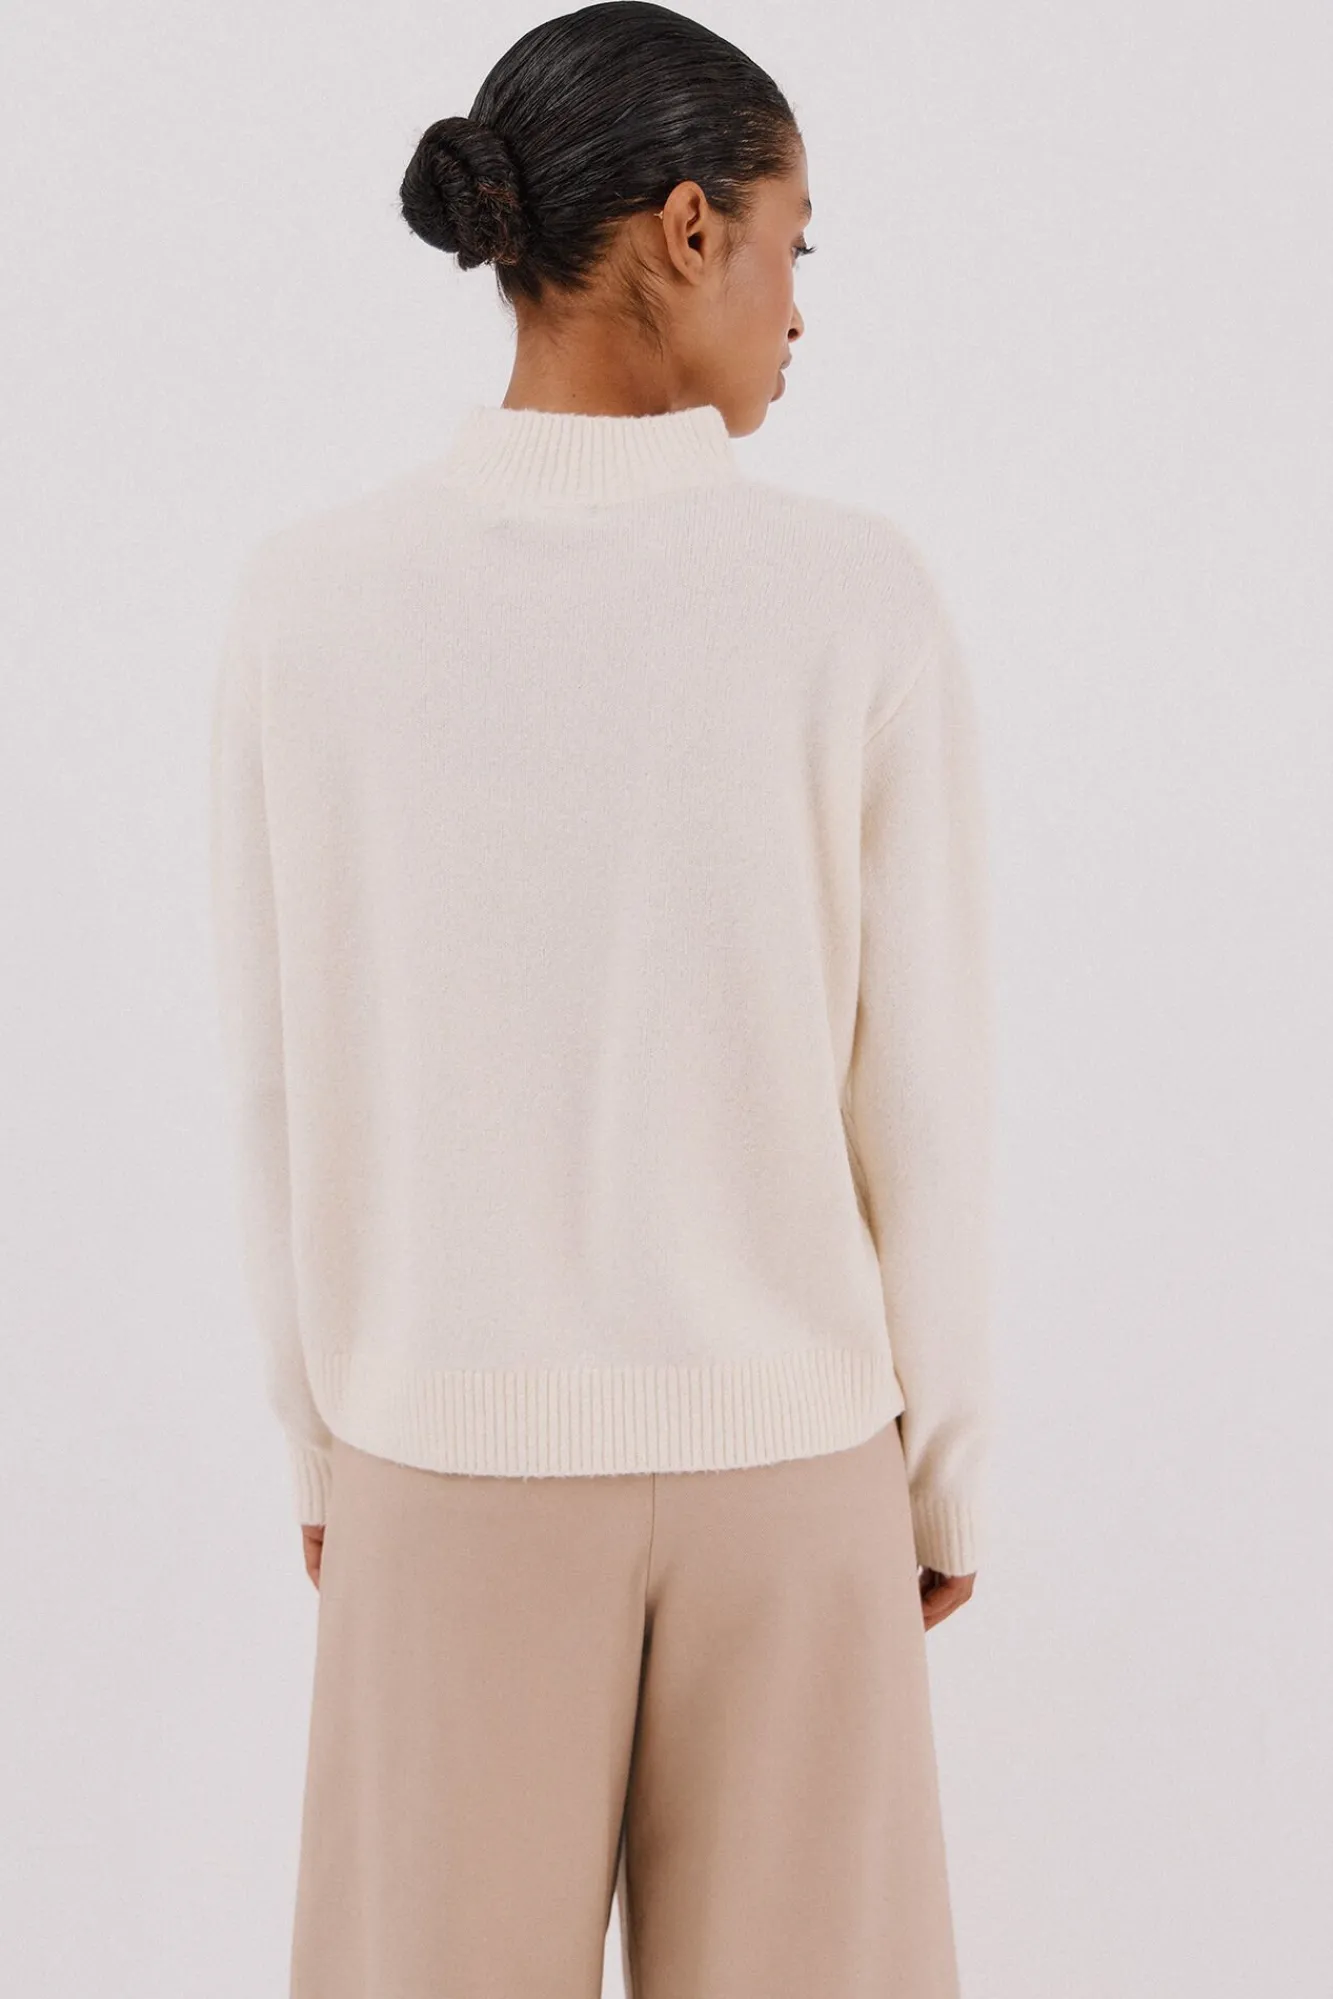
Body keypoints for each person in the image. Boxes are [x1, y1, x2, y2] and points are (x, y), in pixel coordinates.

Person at [208, 4, 995, 1993]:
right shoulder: (856, 600)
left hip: (441, 1459)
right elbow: (926, 1096)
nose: (803, 308)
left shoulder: (311, 602)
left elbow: (280, 1076)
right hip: (795, 1473)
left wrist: (323, 1444)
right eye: (795, 243)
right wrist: (942, 1472)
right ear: (688, 227)